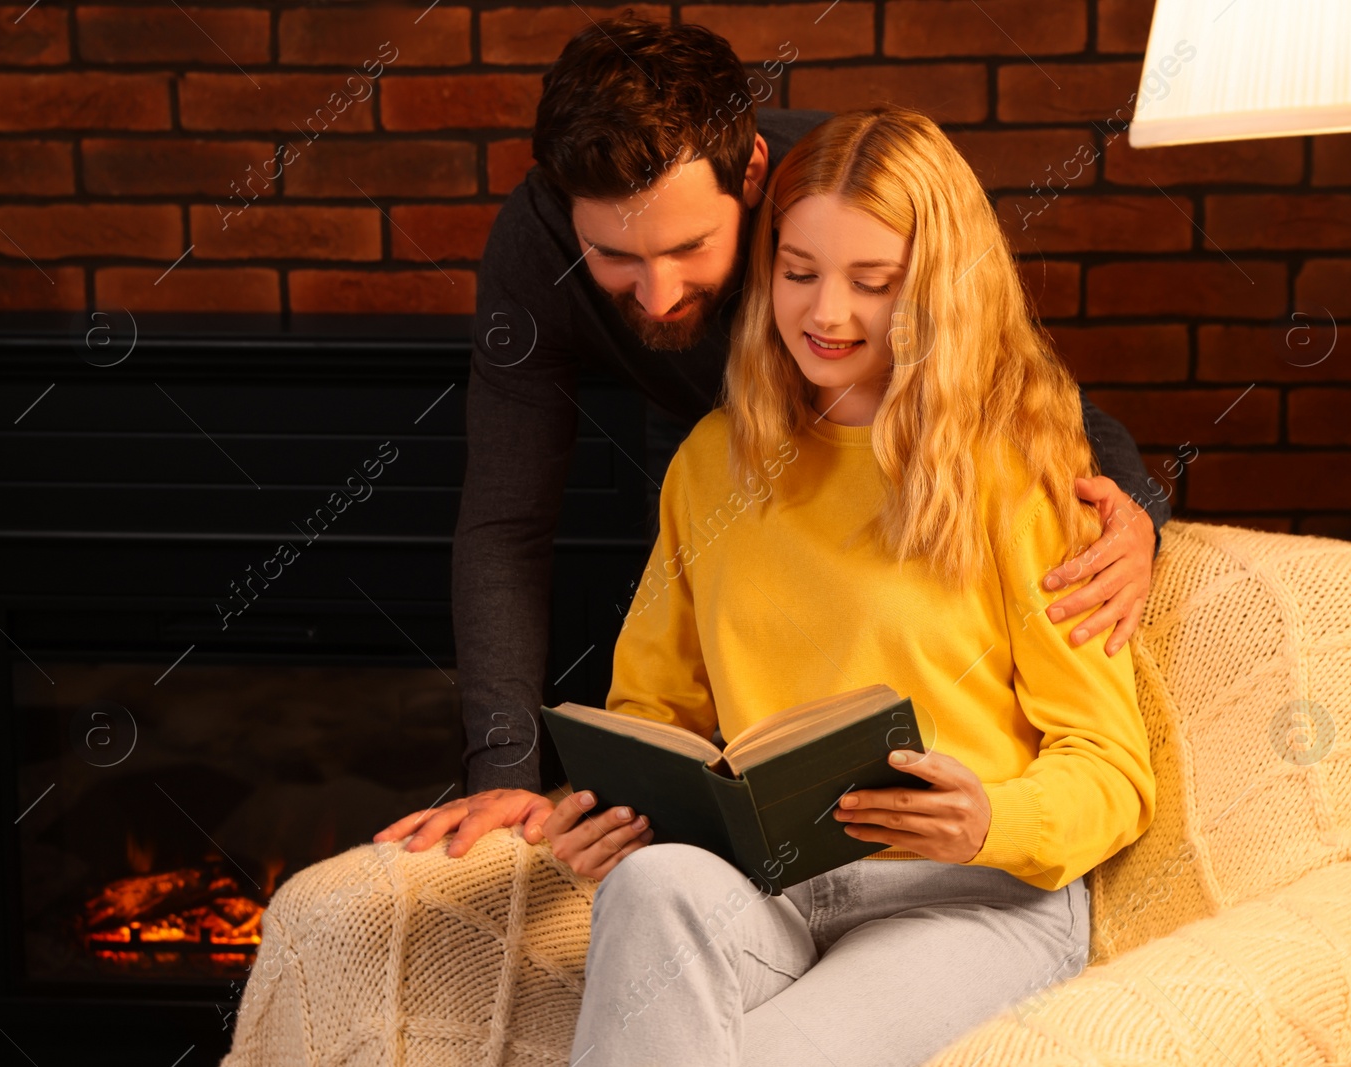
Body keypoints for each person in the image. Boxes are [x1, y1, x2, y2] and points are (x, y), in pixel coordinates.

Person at [373, 13, 1166, 858]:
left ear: (753, 177)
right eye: (614, 256)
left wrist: (1133, 513)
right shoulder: (539, 251)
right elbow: (506, 521)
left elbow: (1015, 396)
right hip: (715, 448)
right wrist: (506, 768)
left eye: (688, 247)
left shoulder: (838, 192)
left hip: (878, 454)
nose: (655, 295)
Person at [550, 104, 1155, 1066]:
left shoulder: (1018, 469)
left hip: (972, 899)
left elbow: (1112, 767)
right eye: (798, 273)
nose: (826, 315)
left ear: (939, 290)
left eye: (874, 284)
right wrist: (609, 820)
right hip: (773, 891)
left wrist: (990, 818)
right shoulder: (714, 463)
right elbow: (651, 707)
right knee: (651, 887)